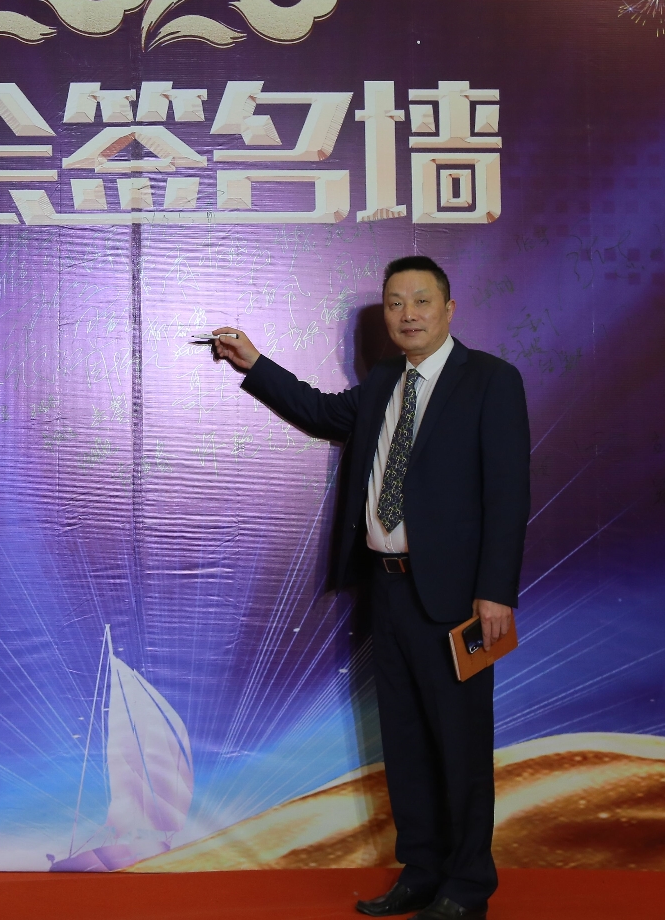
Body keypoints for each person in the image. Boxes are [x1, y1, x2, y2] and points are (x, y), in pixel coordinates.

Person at [209, 256, 529, 920]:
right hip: (388, 590)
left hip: (457, 601)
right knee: (405, 741)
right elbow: (321, 412)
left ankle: (468, 885)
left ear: (449, 308)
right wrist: (254, 363)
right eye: (394, 303)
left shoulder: (491, 381)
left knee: (461, 744)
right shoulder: (384, 380)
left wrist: (495, 592)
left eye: (421, 300)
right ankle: (422, 871)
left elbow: (508, 495)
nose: (408, 315)